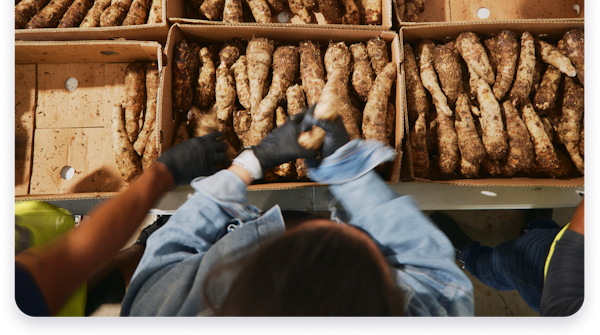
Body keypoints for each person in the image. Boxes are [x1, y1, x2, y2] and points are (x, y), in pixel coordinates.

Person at [120, 109, 474, 317]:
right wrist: (349, 174)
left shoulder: (158, 312)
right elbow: (432, 268)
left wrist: (250, 163)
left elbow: (171, 245)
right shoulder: (434, 307)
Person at [13, 132, 228, 317]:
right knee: (96, 269)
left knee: (109, 276)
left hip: (45, 256)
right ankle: (161, 246)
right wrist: (164, 173)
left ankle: (146, 245)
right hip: (53, 293)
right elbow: (78, 253)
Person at [430, 196, 585, 316]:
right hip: (571, 245)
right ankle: (537, 225)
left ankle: (468, 255)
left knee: (500, 264)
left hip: (555, 279)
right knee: (547, 233)